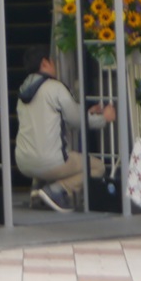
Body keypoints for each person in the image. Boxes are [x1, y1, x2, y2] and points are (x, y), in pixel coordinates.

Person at [15, 46, 116, 212]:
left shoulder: (23, 90)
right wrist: (104, 118)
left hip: (23, 162)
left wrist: (88, 113)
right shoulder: (55, 87)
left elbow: (54, 120)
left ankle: (37, 190)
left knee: (42, 152)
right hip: (51, 162)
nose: (54, 65)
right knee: (97, 167)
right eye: (52, 61)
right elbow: (76, 120)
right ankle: (57, 190)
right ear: (45, 63)